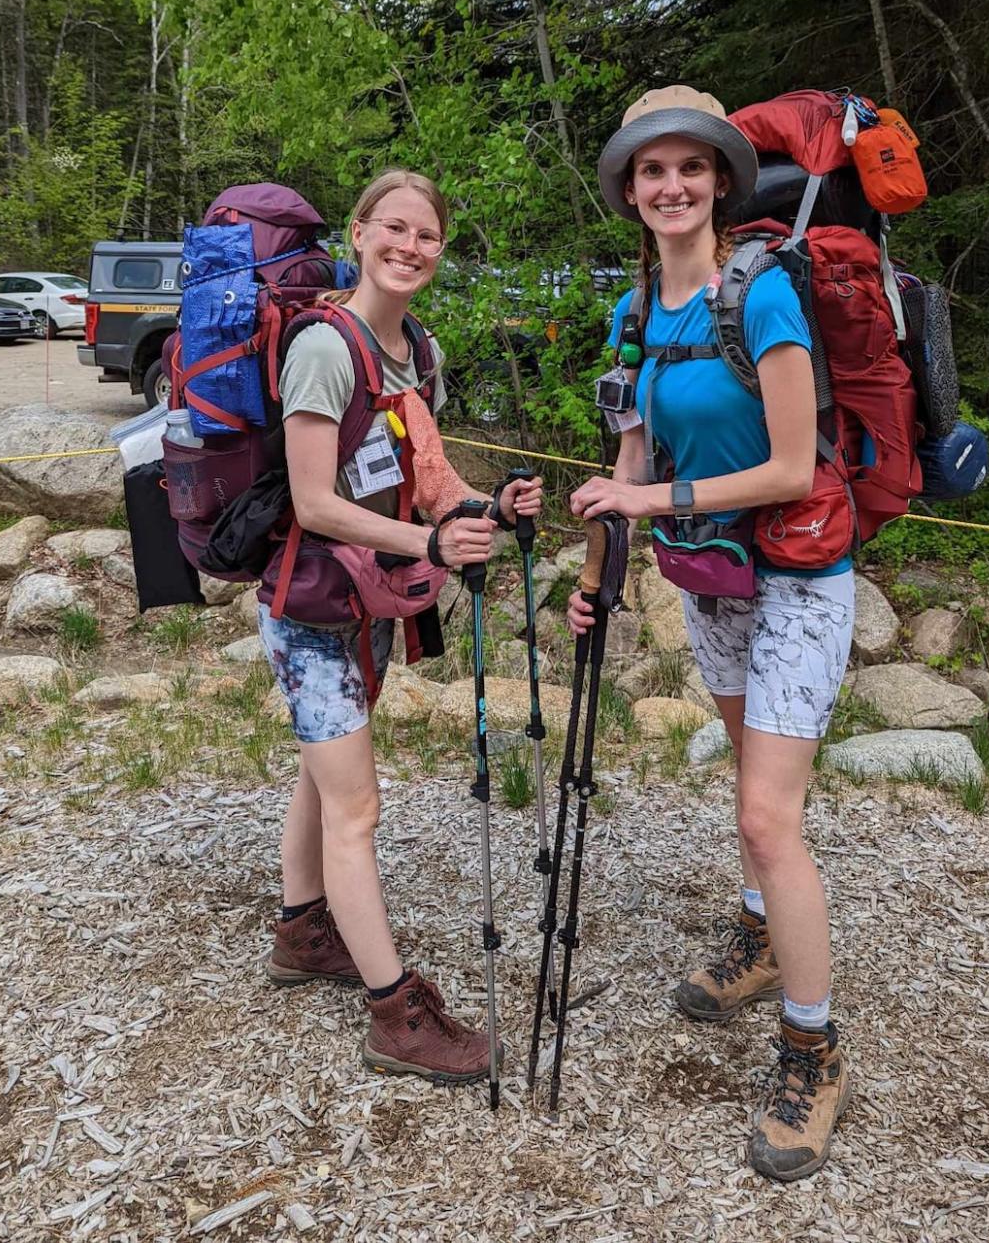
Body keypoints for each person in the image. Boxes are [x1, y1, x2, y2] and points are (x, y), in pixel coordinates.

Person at [567, 87, 854, 1181]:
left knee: (766, 816)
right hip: (714, 575)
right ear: (630, 192)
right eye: (652, 171)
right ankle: (756, 933)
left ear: (721, 183)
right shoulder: (636, 315)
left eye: (691, 168)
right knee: (748, 777)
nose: (671, 186)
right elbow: (628, 467)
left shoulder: (765, 292)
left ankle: (813, 1048)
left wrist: (653, 509)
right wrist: (600, 575)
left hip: (798, 576)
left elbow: (790, 464)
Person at [261, 168, 542, 1086]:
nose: (411, 247)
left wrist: (483, 504)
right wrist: (427, 539)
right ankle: (395, 1016)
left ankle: (305, 933)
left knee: (322, 767)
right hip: (309, 606)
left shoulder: (413, 350)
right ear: (359, 231)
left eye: (427, 235)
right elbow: (314, 500)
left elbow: (424, 473)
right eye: (395, 228)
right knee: (357, 807)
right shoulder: (324, 348)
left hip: (360, 603)